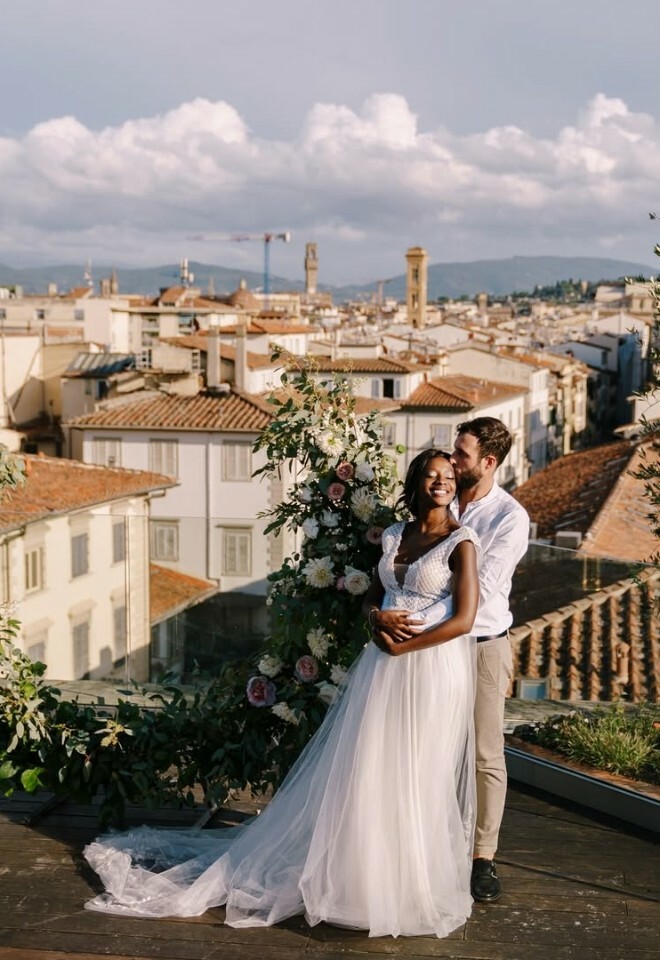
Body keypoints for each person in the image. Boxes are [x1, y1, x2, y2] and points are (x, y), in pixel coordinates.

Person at [83, 450, 482, 939]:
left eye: (448, 475)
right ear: (417, 481)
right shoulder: (397, 534)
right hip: (383, 666)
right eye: (431, 474)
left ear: (454, 484)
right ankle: (359, 880)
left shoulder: (462, 542)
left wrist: (406, 648)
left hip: (430, 667)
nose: (440, 481)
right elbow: (376, 592)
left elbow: (464, 619)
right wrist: (375, 620)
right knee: (370, 767)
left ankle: (408, 890)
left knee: (417, 771)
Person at [450, 418, 529, 903]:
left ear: (488, 462)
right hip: (436, 646)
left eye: (462, 453)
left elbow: (486, 587)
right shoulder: (438, 498)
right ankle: (439, 844)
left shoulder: (509, 518)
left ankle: (483, 858)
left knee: (484, 754)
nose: (453, 459)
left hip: (482, 646)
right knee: (435, 747)